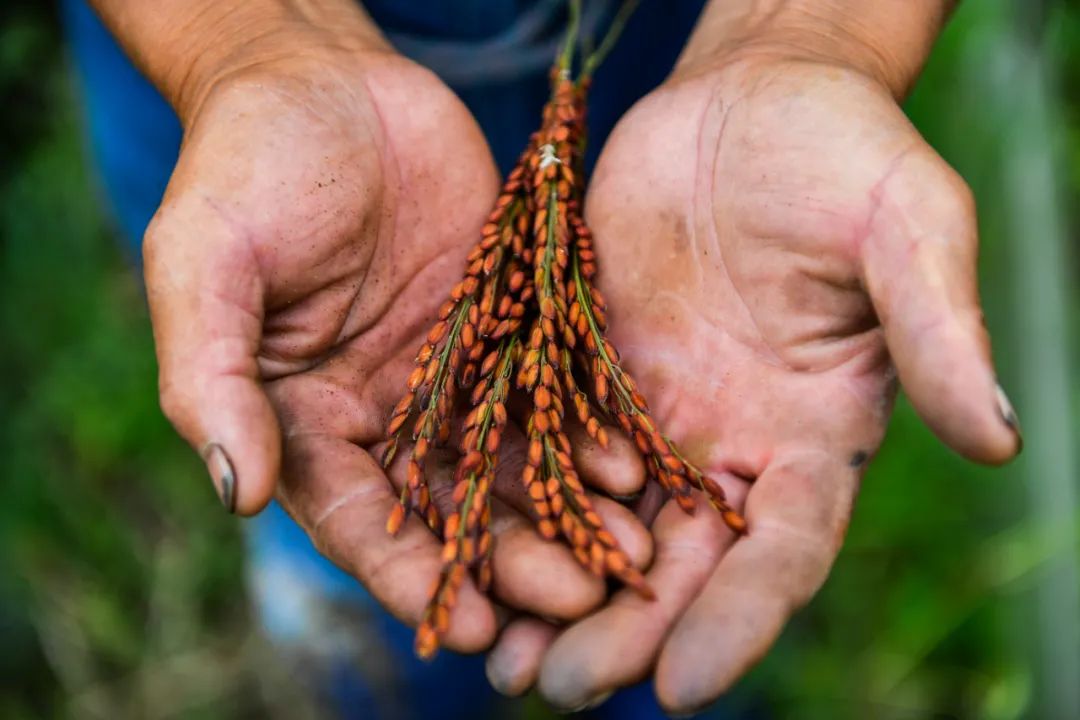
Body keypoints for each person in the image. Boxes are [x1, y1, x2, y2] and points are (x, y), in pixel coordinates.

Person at [65, 0, 1022, 717]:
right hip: (246, 62)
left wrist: (810, 33)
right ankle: (367, 665)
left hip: (697, 42)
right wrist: (245, 44)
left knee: (687, 597)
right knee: (330, 455)